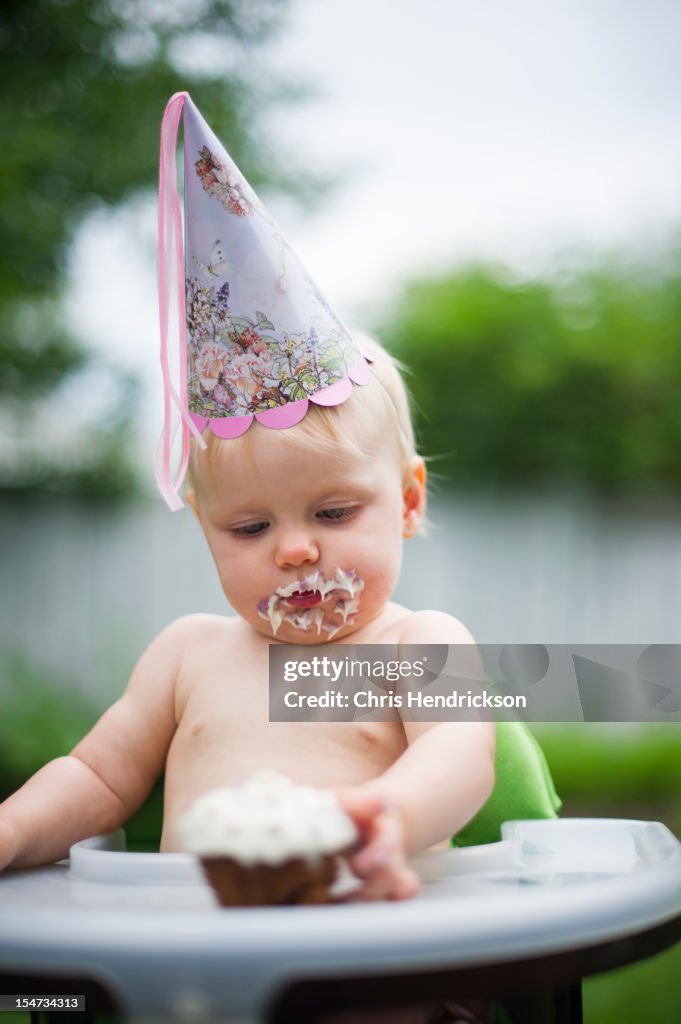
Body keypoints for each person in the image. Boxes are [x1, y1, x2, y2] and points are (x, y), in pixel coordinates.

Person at [0, 333, 495, 904]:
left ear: (408, 501)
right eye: (249, 528)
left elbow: (461, 755)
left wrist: (388, 817)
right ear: (205, 525)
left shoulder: (421, 639)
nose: (293, 551)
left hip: (367, 947)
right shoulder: (185, 653)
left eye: (333, 513)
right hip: (194, 960)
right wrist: (12, 832)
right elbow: (97, 778)